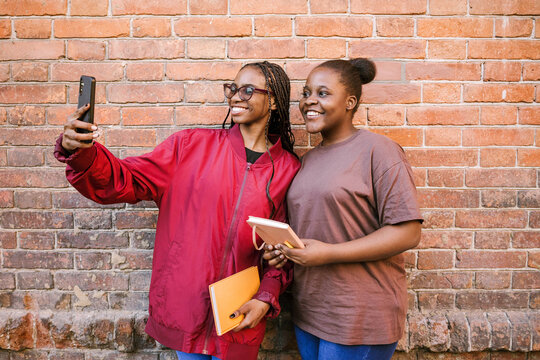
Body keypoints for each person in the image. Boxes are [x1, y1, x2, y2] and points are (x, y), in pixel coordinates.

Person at [54, 61, 301, 360]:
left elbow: (284, 250)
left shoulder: (288, 168)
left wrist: (266, 297)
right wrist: (81, 152)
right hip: (186, 310)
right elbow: (124, 179)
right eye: (233, 89)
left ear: (273, 100)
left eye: (248, 90)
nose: (236, 97)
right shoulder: (189, 146)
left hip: (241, 312)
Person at [264, 58, 423, 360]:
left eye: (322, 93)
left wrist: (328, 253)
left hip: (358, 316)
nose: (309, 100)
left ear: (350, 102)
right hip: (311, 312)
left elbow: (408, 232)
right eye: (306, 93)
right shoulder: (308, 160)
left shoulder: (379, 150)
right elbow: (314, 229)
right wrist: (284, 249)